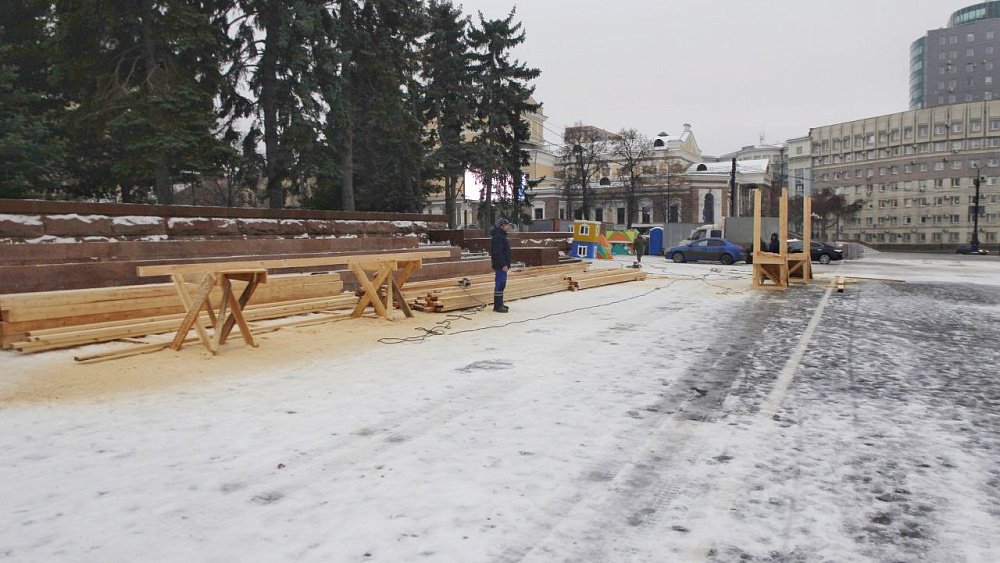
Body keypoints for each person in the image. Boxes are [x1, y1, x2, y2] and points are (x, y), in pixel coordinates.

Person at [490, 217, 513, 313]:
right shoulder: (498, 236)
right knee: (500, 284)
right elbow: (498, 252)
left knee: (502, 284)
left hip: (502, 265)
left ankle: (500, 303)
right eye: (508, 225)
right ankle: (497, 306)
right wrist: (503, 264)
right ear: (503, 226)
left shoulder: (501, 235)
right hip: (500, 265)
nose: (509, 227)